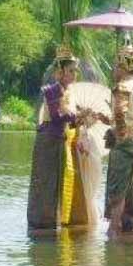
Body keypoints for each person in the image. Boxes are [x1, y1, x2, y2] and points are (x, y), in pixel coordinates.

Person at [27, 45, 97, 233]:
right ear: (60, 72)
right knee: (46, 184)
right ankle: (41, 224)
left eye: (75, 71)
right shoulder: (51, 90)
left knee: (58, 183)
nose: (74, 75)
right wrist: (76, 115)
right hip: (48, 141)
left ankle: (55, 222)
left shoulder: (69, 93)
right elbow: (58, 116)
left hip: (60, 141)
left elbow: (68, 122)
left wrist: (82, 118)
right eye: (70, 71)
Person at [105, 44, 133, 238]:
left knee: (118, 189)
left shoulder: (122, 87)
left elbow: (120, 112)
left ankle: (114, 229)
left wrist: (119, 133)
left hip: (125, 141)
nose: (114, 69)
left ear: (123, 66)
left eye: (116, 66)